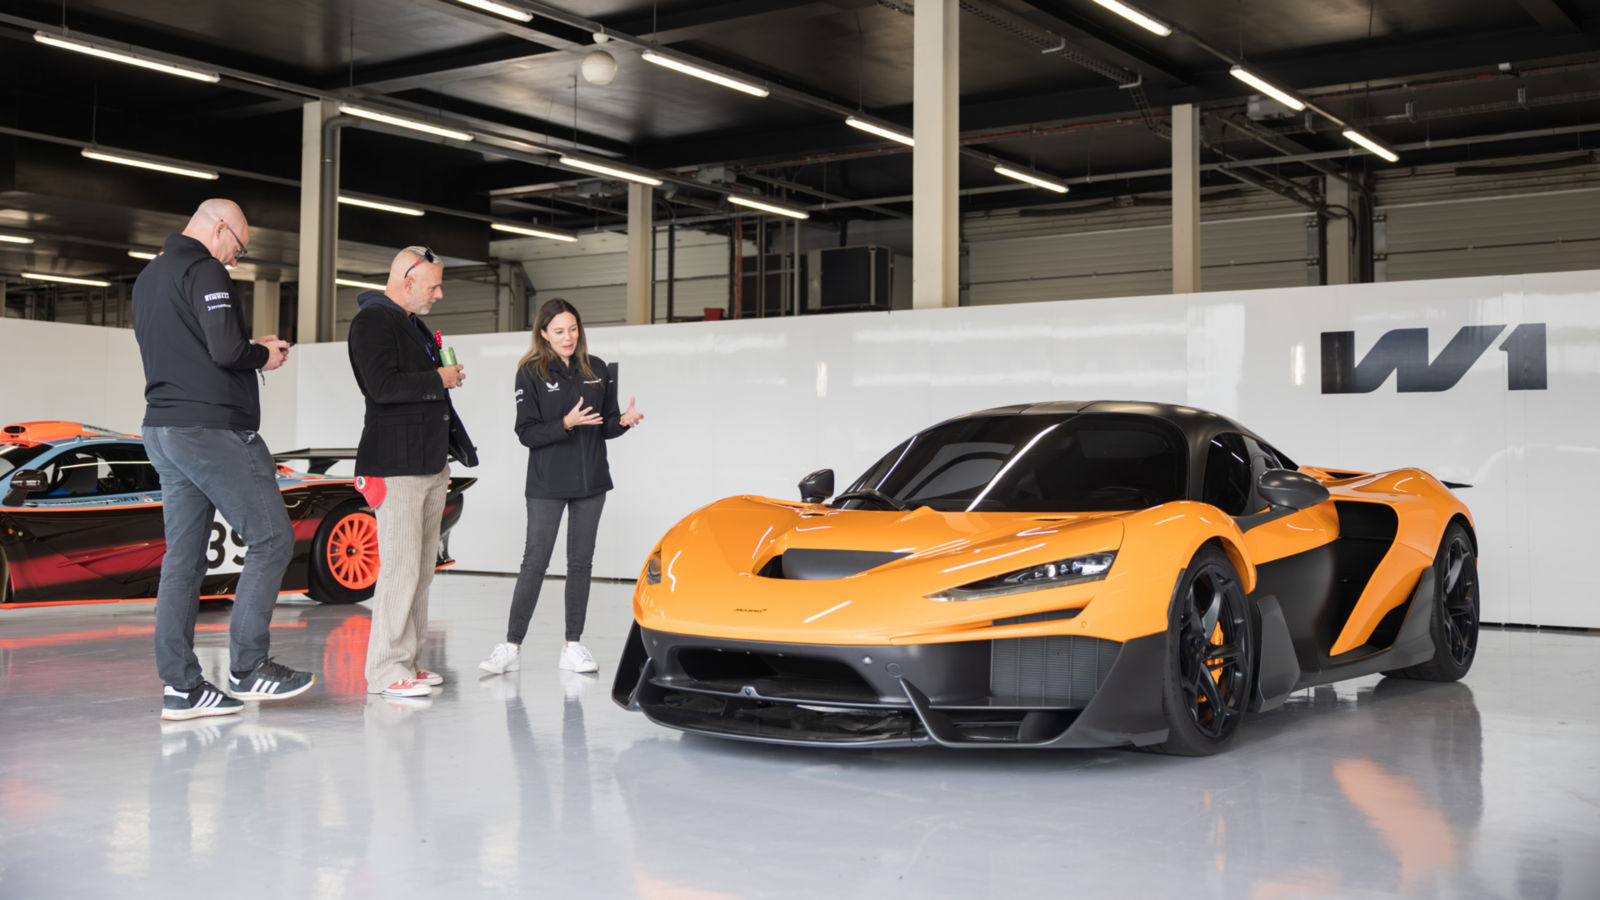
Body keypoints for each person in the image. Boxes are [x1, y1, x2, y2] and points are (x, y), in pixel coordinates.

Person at [133, 198, 315, 721]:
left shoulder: (149, 277)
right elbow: (226, 352)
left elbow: (197, 346)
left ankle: (182, 689)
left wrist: (241, 344)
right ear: (218, 229)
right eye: (238, 247)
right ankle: (248, 666)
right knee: (272, 537)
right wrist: (264, 354)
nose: (234, 261)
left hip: (161, 428)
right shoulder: (204, 267)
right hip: (210, 428)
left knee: (183, 561)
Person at [480, 298, 642, 677]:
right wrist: (565, 423)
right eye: (558, 331)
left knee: (581, 564)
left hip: (591, 481)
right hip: (546, 483)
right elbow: (526, 433)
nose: (568, 337)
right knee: (534, 563)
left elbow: (605, 426)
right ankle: (511, 645)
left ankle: (573, 645)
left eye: (572, 329)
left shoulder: (598, 369)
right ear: (543, 334)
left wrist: (625, 421)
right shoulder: (530, 372)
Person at [347, 246, 478, 698]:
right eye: (433, 286)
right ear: (406, 281)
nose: (439, 294)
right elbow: (381, 387)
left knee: (421, 571)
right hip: (395, 466)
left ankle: (409, 662)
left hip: (426, 463)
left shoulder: (412, 325)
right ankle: (385, 670)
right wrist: (436, 381)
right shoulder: (372, 323)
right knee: (400, 571)